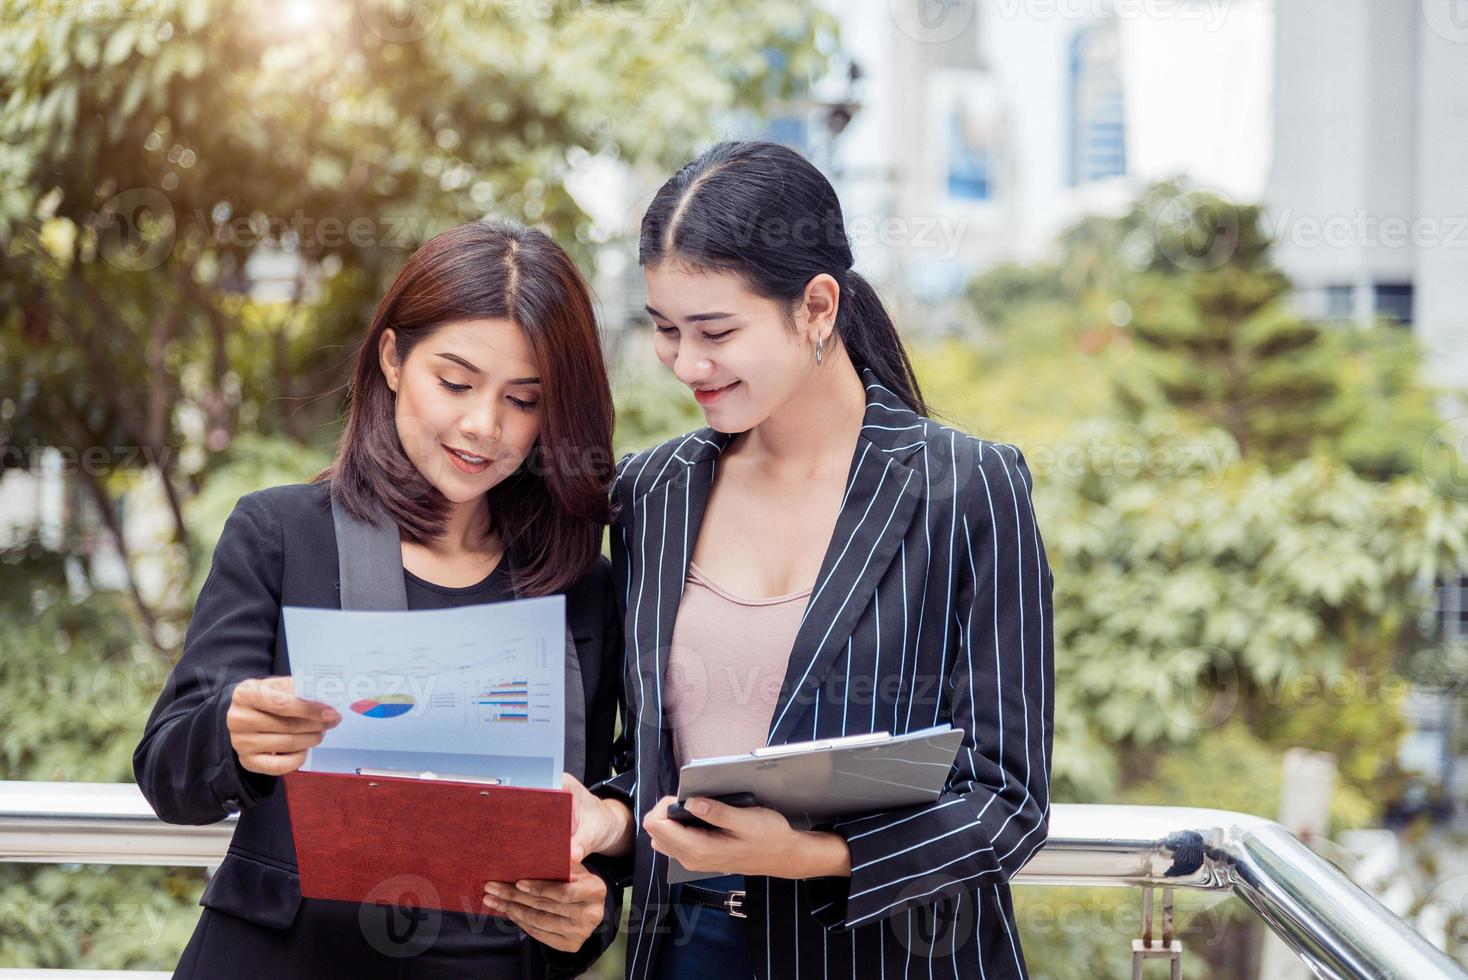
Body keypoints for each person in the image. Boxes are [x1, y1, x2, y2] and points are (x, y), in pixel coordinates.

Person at [525, 141, 1055, 978]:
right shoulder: (651, 493)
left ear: (815, 307)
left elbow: (1007, 802)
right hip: (690, 954)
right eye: (666, 331)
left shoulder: (968, 487)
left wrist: (809, 853)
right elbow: (651, 763)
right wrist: (609, 821)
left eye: (716, 331)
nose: (686, 364)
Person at [134, 220, 624, 978]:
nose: (482, 426)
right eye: (454, 383)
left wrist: (583, 918)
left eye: (523, 400)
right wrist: (234, 735)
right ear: (393, 359)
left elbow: (583, 825)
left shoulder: (580, 588)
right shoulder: (284, 536)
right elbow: (168, 773)